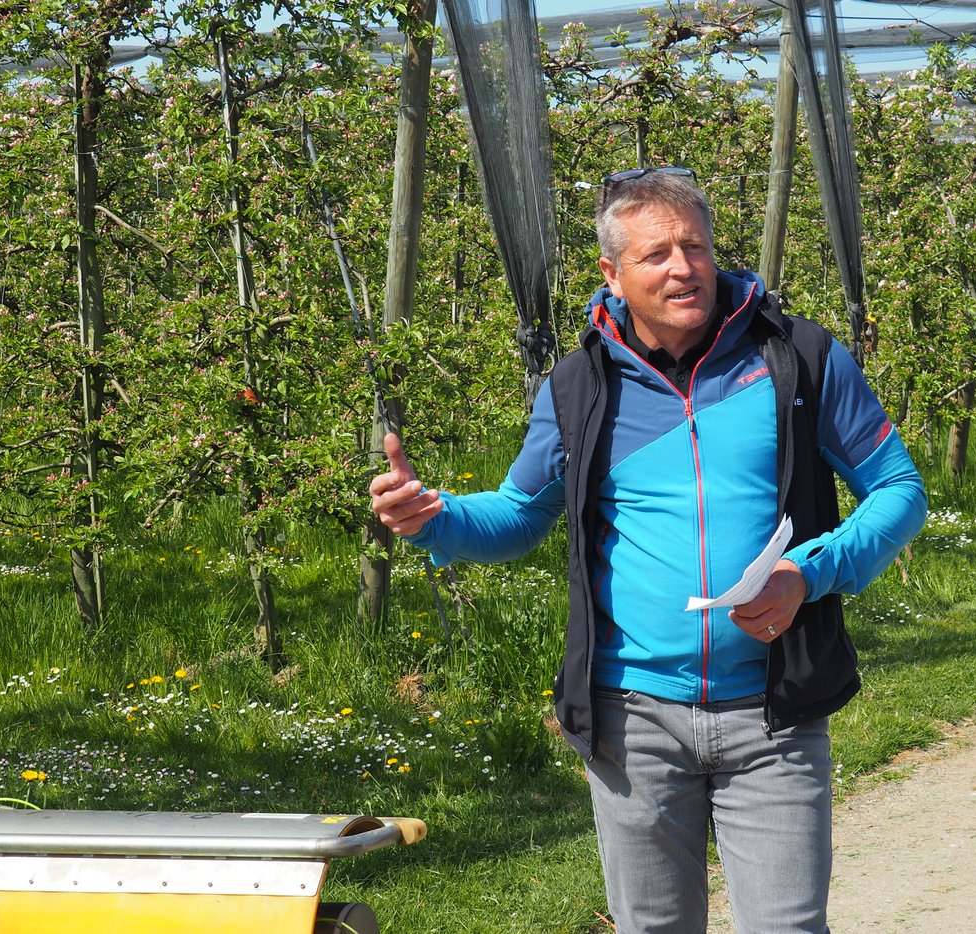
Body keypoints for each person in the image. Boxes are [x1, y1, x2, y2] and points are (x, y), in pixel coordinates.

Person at [369, 166, 926, 933]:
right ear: (612, 272)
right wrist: (434, 518)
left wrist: (811, 572)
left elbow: (899, 489)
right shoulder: (577, 387)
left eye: (694, 246)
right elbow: (519, 515)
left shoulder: (798, 357)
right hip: (634, 720)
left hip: (775, 714)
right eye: (657, 253)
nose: (682, 268)